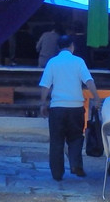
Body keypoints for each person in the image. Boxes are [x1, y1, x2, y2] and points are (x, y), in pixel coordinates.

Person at [39, 35, 100, 181]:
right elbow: (89, 81)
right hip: (76, 107)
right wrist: (96, 97)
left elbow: (45, 85)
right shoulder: (79, 61)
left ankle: (57, 173)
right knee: (76, 138)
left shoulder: (52, 62)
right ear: (72, 45)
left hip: (57, 107)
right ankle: (76, 165)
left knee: (56, 140)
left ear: (59, 47)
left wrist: (43, 103)